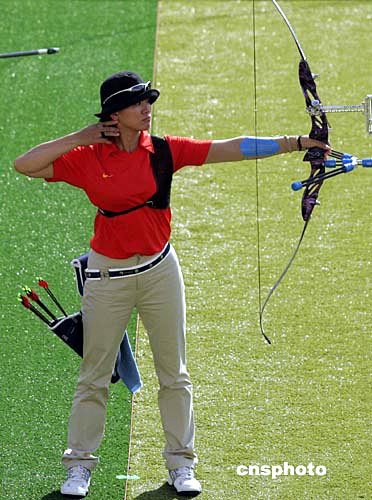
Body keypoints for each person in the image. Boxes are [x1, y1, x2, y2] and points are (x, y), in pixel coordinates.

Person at [14, 70, 330, 498]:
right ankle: (79, 467)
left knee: (174, 374)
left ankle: (182, 464)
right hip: (108, 277)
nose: (147, 108)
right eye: (137, 102)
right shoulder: (87, 156)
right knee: (94, 376)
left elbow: (229, 148)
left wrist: (295, 143)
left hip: (161, 271)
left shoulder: (163, 150)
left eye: (148, 100)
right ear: (113, 114)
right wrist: (82, 135)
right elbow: (24, 164)